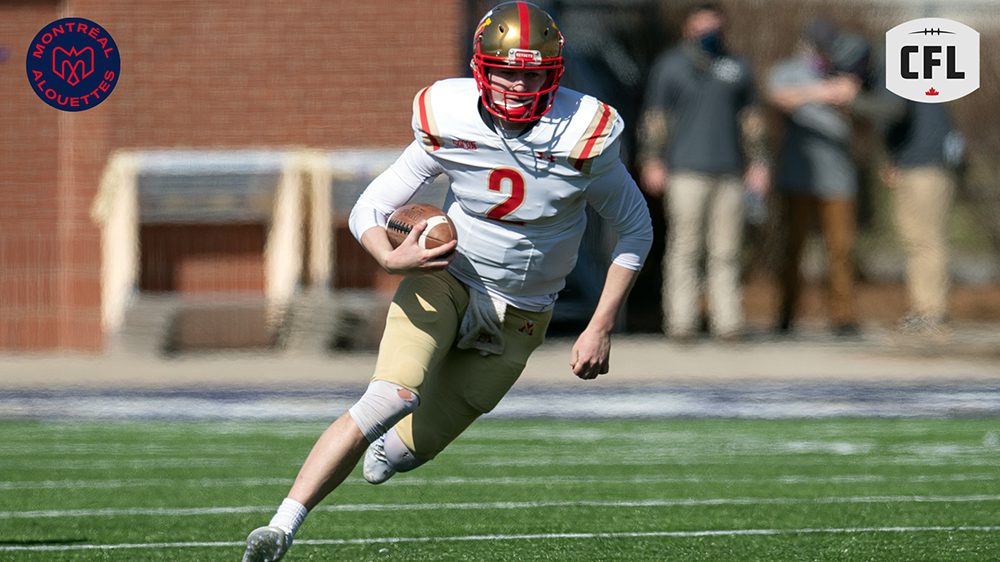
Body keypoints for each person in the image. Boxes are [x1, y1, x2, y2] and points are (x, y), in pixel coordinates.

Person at [241, 3, 653, 561]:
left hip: (524, 309)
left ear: (553, 73)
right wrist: (390, 257)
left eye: (531, 72)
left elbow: (634, 228)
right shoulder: (449, 114)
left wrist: (600, 325)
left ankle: (389, 450)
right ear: (481, 67)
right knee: (390, 395)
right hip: (447, 277)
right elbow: (372, 205)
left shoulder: (583, 132)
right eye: (506, 69)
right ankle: (281, 526)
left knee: (404, 453)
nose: (517, 83)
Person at [637, 2, 770, 341]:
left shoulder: (736, 65)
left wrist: (758, 163)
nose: (708, 31)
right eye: (701, 25)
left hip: (729, 172)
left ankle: (728, 323)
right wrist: (652, 159)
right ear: (688, 27)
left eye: (714, 25)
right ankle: (681, 323)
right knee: (685, 248)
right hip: (685, 172)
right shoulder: (671, 66)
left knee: (726, 251)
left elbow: (751, 121)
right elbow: (655, 118)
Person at [767, 20, 901, 337]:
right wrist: (824, 93)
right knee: (792, 249)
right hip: (797, 174)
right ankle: (785, 316)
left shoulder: (850, 74)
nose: (823, 53)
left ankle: (843, 317)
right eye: (818, 46)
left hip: (839, 178)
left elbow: (868, 125)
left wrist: (852, 100)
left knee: (841, 250)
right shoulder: (789, 71)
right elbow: (778, 97)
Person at [883, 101, 964, 336]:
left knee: (925, 240)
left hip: (924, 166)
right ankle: (925, 310)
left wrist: (853, 99)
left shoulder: (894, 72)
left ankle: (931, 313)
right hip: (919, 162)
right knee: (918, 241)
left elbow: (893, 110)